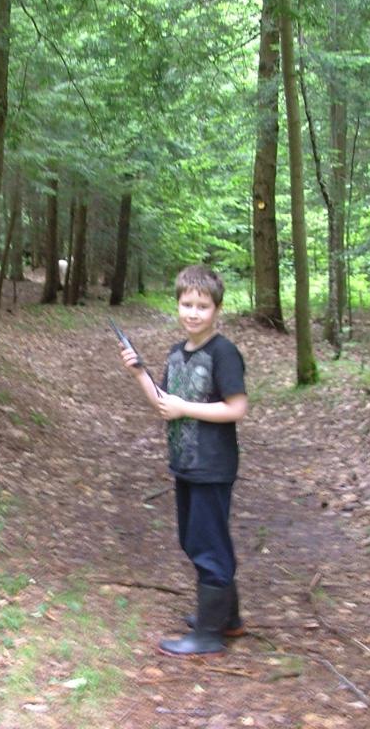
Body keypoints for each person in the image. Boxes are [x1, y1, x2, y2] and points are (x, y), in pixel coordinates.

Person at [118, 265, 247, 656]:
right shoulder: (177, 353)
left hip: (213, 465)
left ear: (217, 309)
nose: (193, 313)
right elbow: (165, 403)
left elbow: (236, 408)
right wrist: (139, 373)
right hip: (185, 462)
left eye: (202, 306)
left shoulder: (223, 353)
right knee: (195, 539)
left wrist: (185, 408)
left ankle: (208, 635)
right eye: (187, 304)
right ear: (177, 305)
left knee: (208, 543)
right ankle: (228, 619)